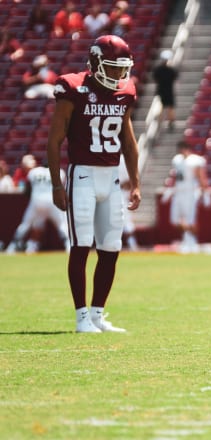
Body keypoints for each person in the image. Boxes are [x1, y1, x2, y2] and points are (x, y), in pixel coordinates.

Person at [46, 34, 140, 333]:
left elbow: (129, 141)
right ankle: (81, 316)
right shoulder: (73, 87)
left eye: (122, 68)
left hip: (111, 177)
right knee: (81, 245)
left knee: (112, 247)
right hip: (82, 176)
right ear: (98, 62)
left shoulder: (125, 92)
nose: (118, 74)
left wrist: (135, 182)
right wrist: (57, 184)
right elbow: (55, 140)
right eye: (113, 67)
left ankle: (98, 313)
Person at [5, 163, 69, 254]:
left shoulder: (34, 172)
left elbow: (27, 189)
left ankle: (14, 247)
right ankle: (68, 245)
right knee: (62, 224)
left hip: (36, 201)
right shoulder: (59, 171)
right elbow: (63, 187)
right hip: (52, 201)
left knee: (27, 224)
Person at [163, 141, 211, 253]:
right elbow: (175, 177)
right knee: (174, 220)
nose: (181, 151)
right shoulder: (177, 160)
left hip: (190, 192)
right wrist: (170, 189)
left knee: (190, 219)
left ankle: (191, 242)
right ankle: (189, 239)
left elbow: (201, 176)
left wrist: (206, 192)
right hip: (179, 192)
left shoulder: (196, 160)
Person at [152, 50, 179, 131]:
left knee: (163, 107)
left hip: (161, 91)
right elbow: (175, 77)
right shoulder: (171, 70)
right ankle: (170, 123)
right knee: (169, 107)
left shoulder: (158, 70)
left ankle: (160, 123)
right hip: (169, 91)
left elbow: (155, 78)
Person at [118, 155, 138, 251]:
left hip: (121, 193)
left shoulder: (124, 159)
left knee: (126, 219)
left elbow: (129, 181)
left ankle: (131, 242)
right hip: (109, 193)